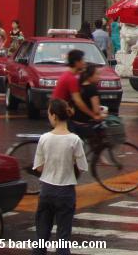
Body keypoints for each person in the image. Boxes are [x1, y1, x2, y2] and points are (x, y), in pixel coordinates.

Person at [32, 99, 88, 255]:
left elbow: (38, 167)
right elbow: (82, 167)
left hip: (47, 190)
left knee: (41, 237)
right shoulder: (75, 140)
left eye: (49, 114)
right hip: (66, 191)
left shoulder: (44, 138)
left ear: (54, 116)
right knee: (63, 238)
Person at [51, 49, 101, 123]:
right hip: (59, 113)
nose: (84, 63)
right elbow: (78, 102)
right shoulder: (71, 79)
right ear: (77, 62)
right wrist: (93, 115)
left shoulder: (69, 75)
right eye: (82, 60)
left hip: (57, 111)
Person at [71, 63, 102, 138]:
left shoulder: (79, 86)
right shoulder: (92, 89)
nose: (99, 77)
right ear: (89, 76)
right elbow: (96, 111)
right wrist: (104, 115)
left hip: (74, 123)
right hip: (86, 124)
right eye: (97, 74)